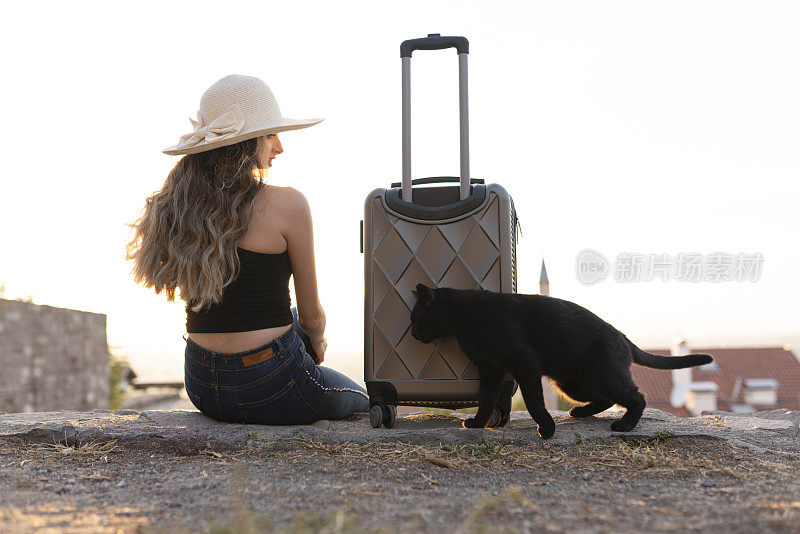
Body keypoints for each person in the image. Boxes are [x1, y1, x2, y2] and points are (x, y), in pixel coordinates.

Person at [126, 74, 369, 424]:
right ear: (247, 142)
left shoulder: (179, 206)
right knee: (360, 397)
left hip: (201, 385)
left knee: (291, 321)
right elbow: (313, 318)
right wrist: (316, 342)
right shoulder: (289, 204)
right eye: (271, 134)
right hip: (272, 385)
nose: (279, 146)